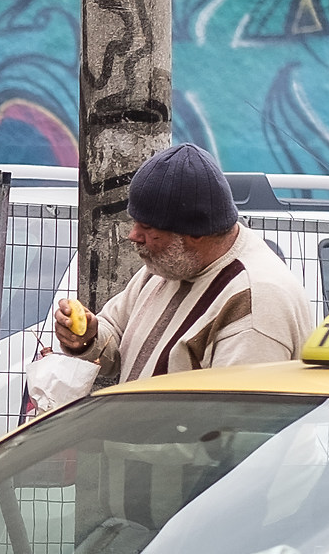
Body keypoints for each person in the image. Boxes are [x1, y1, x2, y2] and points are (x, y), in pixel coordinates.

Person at [51, 141, 313, 380]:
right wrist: (87, 338)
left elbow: (238, 422)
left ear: (195, 234)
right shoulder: (169, 265)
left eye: (147, 228)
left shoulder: (256, 302)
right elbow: (116, 333)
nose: (133, 236)